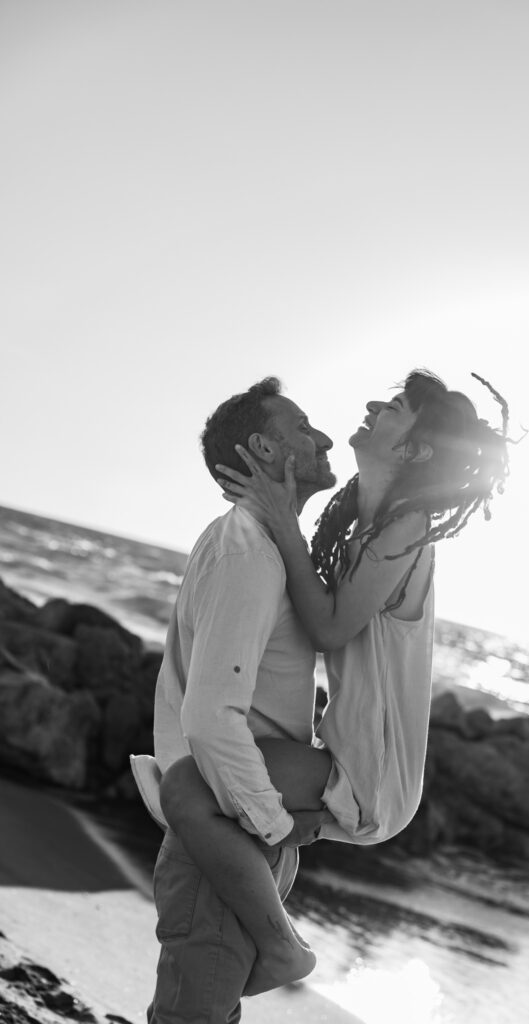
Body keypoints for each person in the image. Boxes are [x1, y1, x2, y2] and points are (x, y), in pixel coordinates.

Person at [150, 368, 511, 1003]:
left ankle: (285, 947)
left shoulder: (405, 528)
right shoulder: (352, 521)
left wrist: (282, 524)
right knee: (192, 798)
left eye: (395, 406)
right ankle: (277, 941)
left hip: (374, 769)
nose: (373, 403)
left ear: (416, 449)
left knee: (185, 787)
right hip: (340, 752)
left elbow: (327, 626)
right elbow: (312, 620)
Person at [132, 376, 338, 1024]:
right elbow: (210, 718)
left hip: (239, 823)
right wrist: (274, 825)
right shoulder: (247, 549)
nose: (324, 437)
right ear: (265, 450)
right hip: (228, 828)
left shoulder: (271, 547)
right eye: (303, 427)